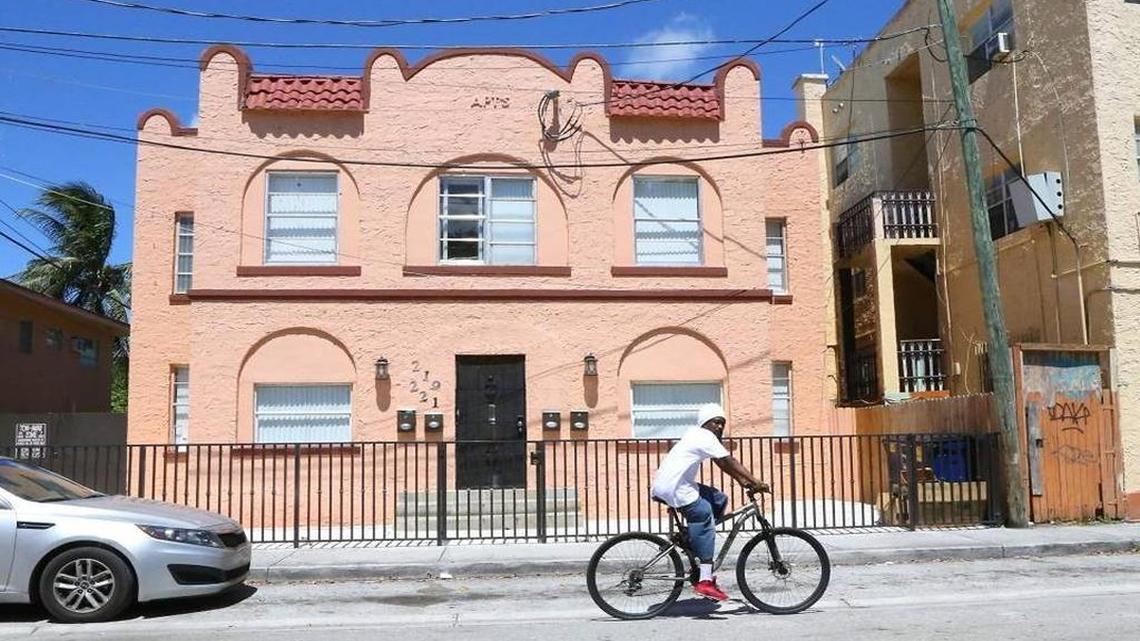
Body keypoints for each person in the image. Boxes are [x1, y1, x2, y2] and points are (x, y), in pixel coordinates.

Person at [650, 403, 767, 602]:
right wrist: (756, 482)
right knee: (703, 515)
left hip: (674, 484)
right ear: (706, 423)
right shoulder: (704, 436)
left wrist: (744, 482)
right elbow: (729, 461)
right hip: (676, 488)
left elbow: (721, 463)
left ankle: (693, 541)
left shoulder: (697, 436)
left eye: (723, 423)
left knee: (719, 499)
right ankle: (705, 581)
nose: (720, 427)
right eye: (716, 422)